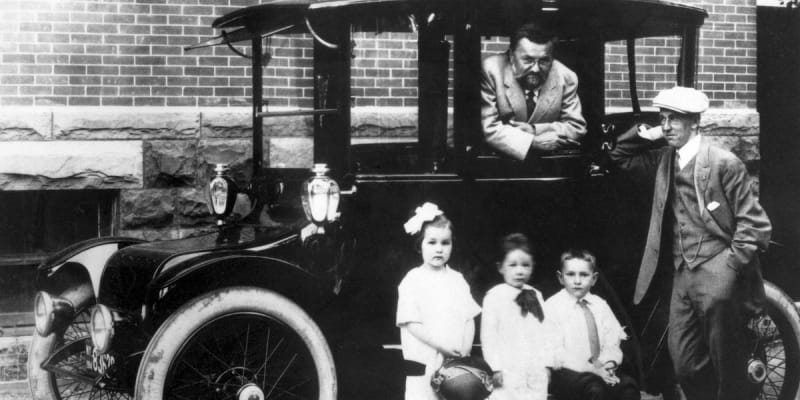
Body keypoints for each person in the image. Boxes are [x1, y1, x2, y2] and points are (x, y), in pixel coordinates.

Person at [608, 86, 772, 400]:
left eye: (675, 119)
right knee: (684, 362)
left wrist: (730, 268)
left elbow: (755, 224)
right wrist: (651, 133)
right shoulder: (663, 158)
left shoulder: (724, 163)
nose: (667, 125)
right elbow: (619, 157)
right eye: (663, 118)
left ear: (695, 123)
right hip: (682, 272)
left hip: (719, 270)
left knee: (728, 361)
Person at [396, 202, 482, 400]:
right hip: (425, 361)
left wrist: (465, 350)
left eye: (445, 243)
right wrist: (442, 346)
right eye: (432, 242)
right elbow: (411, 324)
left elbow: (469, 318)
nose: (439, 249)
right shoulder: (412, 280)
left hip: (455, 365)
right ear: (420, 245)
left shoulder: (457, 280)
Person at [480, 22, 587, 161]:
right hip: (498, 163)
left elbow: (576, 127)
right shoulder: (491, 70)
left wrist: (534, 130)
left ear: (552, 59)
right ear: (511, 55)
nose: (536, 69)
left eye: (544, 61)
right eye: (528, 60)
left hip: (548, 166)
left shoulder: (566, 77)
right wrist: (532, 142)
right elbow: (488, 128)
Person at [545, 249, 640, 400]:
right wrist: (592, 370)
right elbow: (558, 354)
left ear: (594, 279)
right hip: (569, 371)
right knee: (594, 390)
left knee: (628, 387)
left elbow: (612, 340)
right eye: (570, 274)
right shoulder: (553, 307)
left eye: (584, 275)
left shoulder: (600, 305)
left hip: (601, 367)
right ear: (560, 277)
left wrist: (609, 363)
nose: (577, 281)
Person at [481, 233, 554, 400]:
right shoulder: (494, 296)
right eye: (512, 265)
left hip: (535, 366)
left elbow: (547, 331)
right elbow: (489, 336)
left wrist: (547, 364)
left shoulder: (536, 295)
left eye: (525, 265)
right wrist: (495, 367)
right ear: (501, 267)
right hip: (508, 366)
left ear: (533, 266)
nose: (519, 271)